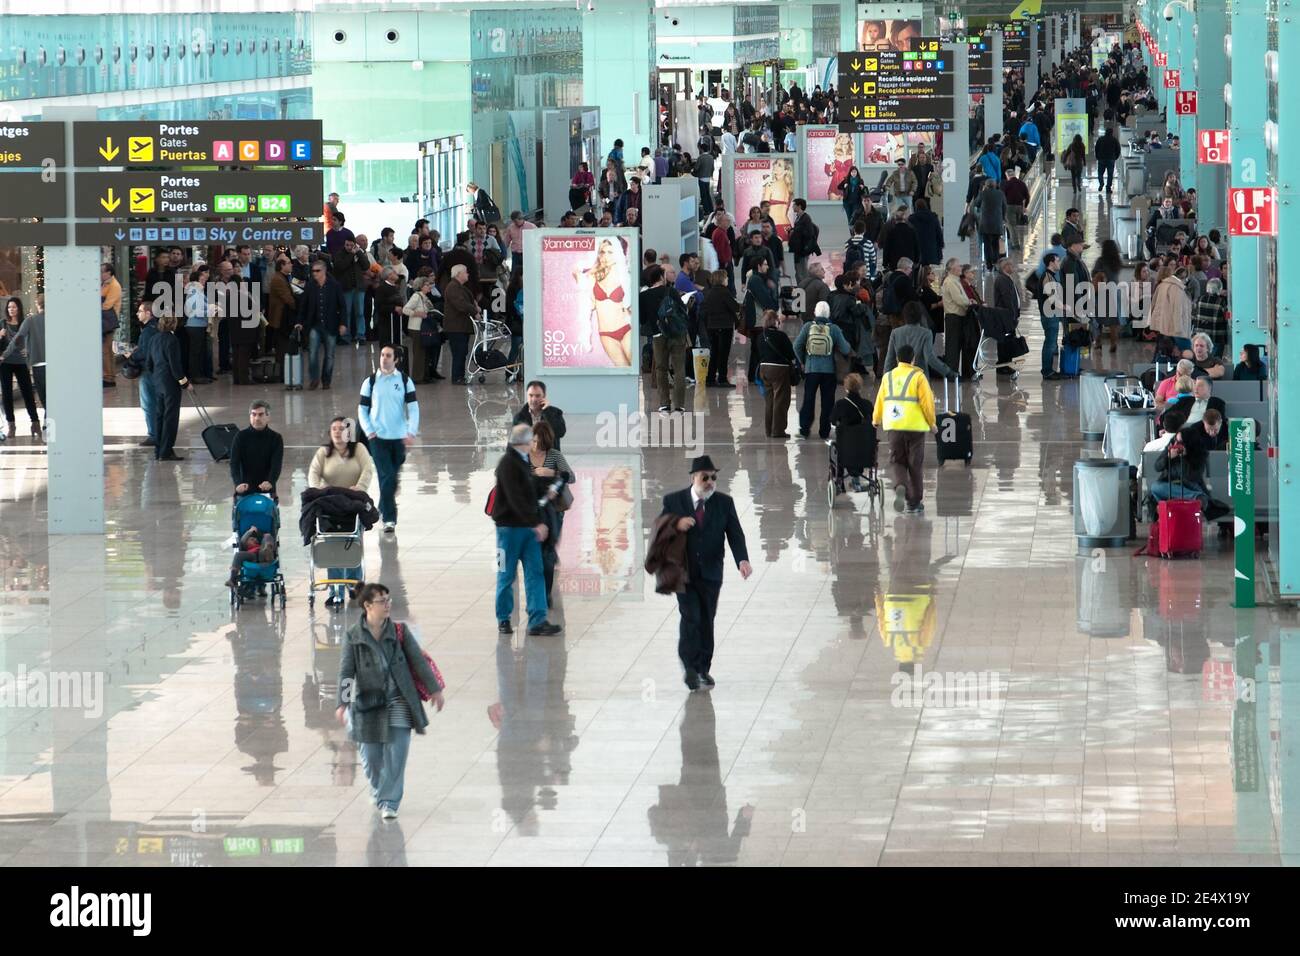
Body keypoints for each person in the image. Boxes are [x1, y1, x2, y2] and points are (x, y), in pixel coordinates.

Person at [336, 582, 445, 821]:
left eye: (388, 600)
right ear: (367, 606)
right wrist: (342, 703)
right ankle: (378, 790)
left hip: (398, 701)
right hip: (368, 704)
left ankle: (390, 801)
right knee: (372, 758)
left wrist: (434, 690)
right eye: (382, 601)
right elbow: (346, 672)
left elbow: (418, 661)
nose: (387, 605)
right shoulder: (353, 636)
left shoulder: (399, 632)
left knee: (397, 754)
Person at [656, 455, 752, 690]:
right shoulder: (674, 501)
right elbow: (659, 527)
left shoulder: (724, 503)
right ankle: (689, 667)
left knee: (707, 620)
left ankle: (703, 669)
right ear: (693, 478)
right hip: (683, 572)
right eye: (705, 477)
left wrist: (742, 560)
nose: (710, 481)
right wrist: (676, 525)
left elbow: (735, 534)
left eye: (713, 477)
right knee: (691, 617)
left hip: (711, 573)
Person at [491, 424, 561, 637]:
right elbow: (515, 499)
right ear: (523, 443)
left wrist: (544, 490)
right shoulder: (507, 464)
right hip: (509, 532)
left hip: (528, 531)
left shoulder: (522, 462)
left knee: (535, 573)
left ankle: (537, 620)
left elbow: (527, 490)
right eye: (531, 440)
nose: (534, 444)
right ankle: (504, 618)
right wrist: (536, 523)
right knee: (505, 575)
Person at [309, 416, 376, 607]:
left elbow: (367, 470)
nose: (338, 432)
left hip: (353, 503)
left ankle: (355, 587)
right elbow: (313, 473)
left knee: (354, 542)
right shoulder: (323, 452)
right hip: (331, 505)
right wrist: (319, 489)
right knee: (333, 547)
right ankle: (335, 590)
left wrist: (360, 487)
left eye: (342, 428)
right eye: (334, 429)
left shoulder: (360, 450)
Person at [359, 345, 419, 534]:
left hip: (399, 437)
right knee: (387, 476)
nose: (384, 359)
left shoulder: (404, 380)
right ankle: (389, 518)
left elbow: (413, 408)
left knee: (391, 477)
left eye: (388, 356)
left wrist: (411, 431)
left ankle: (383, 506)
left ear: (396, 360)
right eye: (382, 355)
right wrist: (369, 430)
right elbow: (362, 409)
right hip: (377, 438)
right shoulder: (370, 382)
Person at [873, 343, 937, 514]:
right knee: (915, 463)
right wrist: (932, 424)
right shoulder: (919, 377)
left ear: (897, 359)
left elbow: (880, 399)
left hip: (894, 425)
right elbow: (927, 403)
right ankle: (914, 502)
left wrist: (876, 419)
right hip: (915, 427)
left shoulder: (888, 377)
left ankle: (901, 486)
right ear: (913, 359)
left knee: (897, 460)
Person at [527, 420, 573, 604]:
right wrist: (534, 474)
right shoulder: (523, 456)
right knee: (533, 554)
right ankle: (536, 594)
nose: (537, 446)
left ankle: (545, 593)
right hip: (530, 510)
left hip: (553, 511)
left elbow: (571, 476)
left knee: (547, 553)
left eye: (541, 443)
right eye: (534, 441)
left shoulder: (554, 455)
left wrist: (551, 474)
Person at [794, 301, 852, 440]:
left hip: (811, 369)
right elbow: (845, 348)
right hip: (829, 371)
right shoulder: (834, 329)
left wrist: (803, 361)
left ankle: (804, 430)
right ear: (829, 314)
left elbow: (796, 346)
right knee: (827, 401)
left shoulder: (808, 326)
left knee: (808, 399)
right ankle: (824, 431)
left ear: (815, 313)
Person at [145, 313, 192, 461]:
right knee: (170, 417)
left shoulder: (153, 339)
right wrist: (185, 383)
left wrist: (157, 376)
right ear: (174, 324)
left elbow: (149, 363)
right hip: (170, 383)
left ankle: (158, 450)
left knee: (159, 415)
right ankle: (166, 451)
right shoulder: (172, 340)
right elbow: (175, 365)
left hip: (157, 381)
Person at [297, 258, 347, 391]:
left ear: (324, 271)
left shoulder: (334, 285)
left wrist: (343, 323)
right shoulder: (310, 286)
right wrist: (300, 321)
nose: (314, 273)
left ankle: (326, 380)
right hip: (314, 325)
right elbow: (304, 305)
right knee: (313, 353)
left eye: (317, 271)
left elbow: (342, 306)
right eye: (313, 271)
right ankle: (314, 379)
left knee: (329, 354)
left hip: (331, 325)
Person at [0, 293, 45, 424]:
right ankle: (10, 422)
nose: (11, 309)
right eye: (9, 307)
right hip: (5, 363)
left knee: (27, 392)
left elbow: (31, 340)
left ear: (19, 308)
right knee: (7, 393)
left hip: (21, 362)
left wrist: (28, 351)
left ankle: (35, 419)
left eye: (14, 307)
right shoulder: (2, 323)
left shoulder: (26, 322)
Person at [883, 300, 954, 379]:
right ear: (920, 316)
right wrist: (947, 372)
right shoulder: (926, 333)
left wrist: (885, 379)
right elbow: (930, 358)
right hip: (920, 377)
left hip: (901, 378)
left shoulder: (895, 333)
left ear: (904, 316)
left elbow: (889, 359)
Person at [229, 399, 284, 501]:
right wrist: (237, 483)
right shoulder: (240, 437)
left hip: (267, 489)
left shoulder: (276, 438)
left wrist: (271, 482)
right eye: (253, 414)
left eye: (261, 414)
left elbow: (276, 464)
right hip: (244, 489)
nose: (257, 418)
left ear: (268, 417)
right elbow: (234, 463)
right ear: (250, 417)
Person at [757, 309, 797, 438]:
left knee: (769, 401)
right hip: (779, 369)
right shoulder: (781, 336)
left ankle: (768, 430)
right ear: (775, 321)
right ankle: (778, 431)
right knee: (780, 400)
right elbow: (791, 354)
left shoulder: (760, 336)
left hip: (764, 369)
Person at [742, 257, 780, 385]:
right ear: (758, 266)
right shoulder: (756, 280)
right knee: (758, 349)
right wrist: (774, 306)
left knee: (756, 348)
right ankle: (756, 375)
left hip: (757, 319)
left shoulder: (756, 279)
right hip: (758, 320)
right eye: (765, 264)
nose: (767, 267)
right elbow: (765, 299)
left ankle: (754, 375)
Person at [441, 264, 479, 385]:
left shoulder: (459, 287)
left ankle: (460, 376)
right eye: (466, 272)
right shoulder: (453, 287)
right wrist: (474, 311)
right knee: (459, 352)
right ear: (459, 274)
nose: (468, 274)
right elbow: (461, 304)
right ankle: (457, 377)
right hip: (456, 327)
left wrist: (474, 305)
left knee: (462, 352)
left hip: (461, 326)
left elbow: (468, 300)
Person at [702, 270, 740, 387]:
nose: (728, 279)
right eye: (726, 277)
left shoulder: (709, 292)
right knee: (723, 354)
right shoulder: (724, 292)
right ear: (722, 279)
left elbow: (704, 309)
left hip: (711, 326)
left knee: (714, 353)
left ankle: (710, 378)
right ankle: (722, 378)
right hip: (724, 326)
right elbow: (735, 307)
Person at [1148, 265, 1193, 353]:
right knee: (1187, 353)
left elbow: (1153, 304)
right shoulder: (1177, 289)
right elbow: (1177, 310)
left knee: (1162, 353)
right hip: (1176, 329)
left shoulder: (1162, 285)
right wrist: (1179, 330)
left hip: (1163, 327)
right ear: (1184, 278)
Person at [513, 380, 567, 449]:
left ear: (544, 396)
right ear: (526, 395)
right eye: (531, 395)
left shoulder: (555, 412)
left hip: (550, 457)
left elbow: (560, 432)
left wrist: (547, 412)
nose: (534, 399)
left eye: (537, 396)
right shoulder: (519, 418)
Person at [973, 179, 1007, 271]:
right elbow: (1004, 206)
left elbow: (976, 203)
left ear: (986, 186)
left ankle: (989, 265)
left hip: (985, 224)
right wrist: (1003, 218)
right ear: (995, 185)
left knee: (987, 245)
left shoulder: (983, 194)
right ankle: (996, 263)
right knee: (996, 244)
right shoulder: (1000, 194)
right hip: (997, 223)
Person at [1192, 279, 1229, 358]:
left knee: (1201, 358)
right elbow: (1227, 317)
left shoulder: (1200, 299)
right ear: (1220, 289)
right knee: (1214, 360)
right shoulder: (1221, 301)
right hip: (1216, 335)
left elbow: (1194, 314)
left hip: (1200, 335)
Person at [787, 199, 819, 284]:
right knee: (798, 270)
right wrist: (793, 230)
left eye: (794, 205)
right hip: (797, 248)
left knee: (802, 271)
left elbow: (809, 233)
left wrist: (796, 231)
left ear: (799, 206)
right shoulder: (798, 217)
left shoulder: (806, 218)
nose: (793, 207)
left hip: (802, 249)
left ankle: (805, 289)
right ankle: (800, 288)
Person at [909, 198, 944, 267]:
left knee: (918, 274)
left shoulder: (911, 219)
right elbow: (939, 234)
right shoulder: (933, 218)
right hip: (932, 251)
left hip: (918, 252)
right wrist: (941, 245)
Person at [1095, 125, 1121, 192]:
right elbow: (1118, 149)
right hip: (1111, 159)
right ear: (1112, 133)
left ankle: (1101, 183)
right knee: (1110, 174)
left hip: (1101, 158)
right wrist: (1115, 157)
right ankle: (1108, 188)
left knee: (1100, 173)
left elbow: (1096, 148)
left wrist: (1097, 156)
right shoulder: (1114, 140)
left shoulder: (1100, 139)